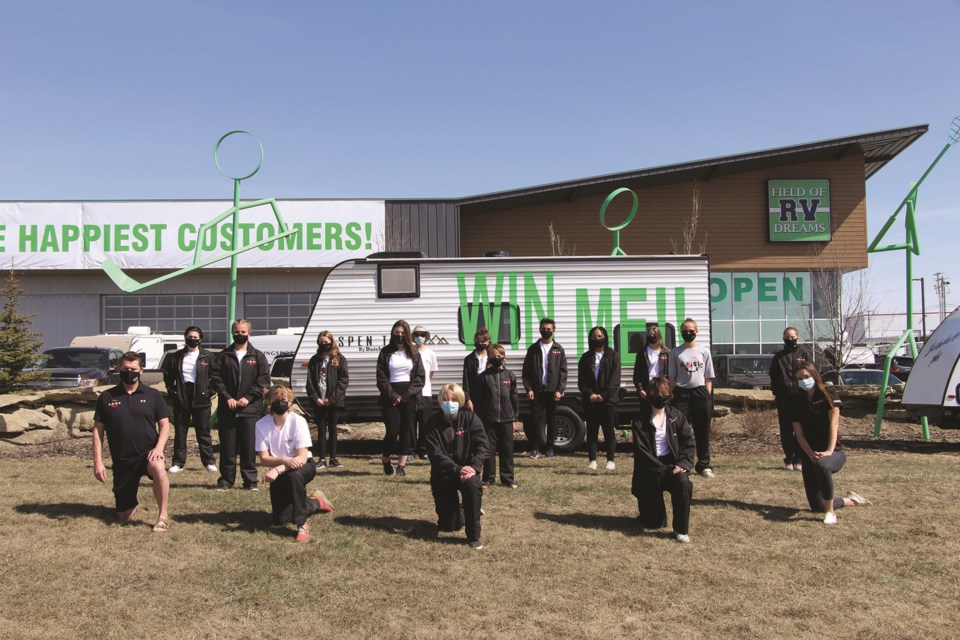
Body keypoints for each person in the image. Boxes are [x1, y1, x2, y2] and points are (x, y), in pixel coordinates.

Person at [92, 351, 171, 532]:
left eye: (133, 369)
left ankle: (162, 516)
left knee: (158, 467)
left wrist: (159, 449)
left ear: (141, 370)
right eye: (125, 369)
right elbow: (98, 431)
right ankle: (129, 504)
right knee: (124, 517)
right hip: (122, 461)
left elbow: (165, 426)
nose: (129, 372)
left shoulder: (153, 395)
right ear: (119, 369)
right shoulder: (107, 397)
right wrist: (98, 462)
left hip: (148, 454)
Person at [790, 363, 871, 524]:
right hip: (809, 454)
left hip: (834, 452)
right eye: (799, 378)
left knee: (822, 464)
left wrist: (828, 451)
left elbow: (834, 424)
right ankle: (851, 500)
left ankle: (830, 512)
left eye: (806, 377)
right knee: (816, 506)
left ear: (814, 376)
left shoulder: (828, 392)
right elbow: (798, 433)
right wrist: (809, 454)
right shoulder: (795, 399)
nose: (803, 381)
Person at [423, 383, 490, 549]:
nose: (449, 402)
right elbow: (436, 456)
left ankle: (474, 536)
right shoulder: (432, 423)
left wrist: (473, 468)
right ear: (440, 401)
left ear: (460, 401)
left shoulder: (470, 418)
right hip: (444, 475)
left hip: (468, 472)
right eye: (446, 399)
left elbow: (482, 446)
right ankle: (463, 510)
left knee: (473, 485)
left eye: (453, 399)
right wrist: (457, 469)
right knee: (448, 526)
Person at [256, 385, 324, 542]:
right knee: (280, 520)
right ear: (269, 402)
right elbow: (264, 459)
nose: (280, 402)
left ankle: (302, 524)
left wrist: (278, 469)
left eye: (284, 399)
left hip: (304, 465)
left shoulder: (298, 422)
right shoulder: (261, 425)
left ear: (289, 402)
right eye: (276, 399)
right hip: (281, 469)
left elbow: (301, 457)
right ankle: (316, 502)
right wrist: (285, 461)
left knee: (294, 477)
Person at [631, 376, 695, 543]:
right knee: (654, 524)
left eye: (663, 394)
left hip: (673, 465)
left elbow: (688, 443)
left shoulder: (677, 417)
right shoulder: (639, 421)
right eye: (656, 394)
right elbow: (642, 452)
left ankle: (681, 529)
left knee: (684, 483)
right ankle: (650, 512)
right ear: (650, 395)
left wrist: (683, 464)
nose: (659, 397)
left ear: (669, 396)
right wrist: (662, 469)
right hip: (650, 470)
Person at [210, 319, 271, 491]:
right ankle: (226, 481)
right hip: (227, 409)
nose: (240, 335)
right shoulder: (223, 356)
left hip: (249, 409)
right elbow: (216, 378)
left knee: (248, 447)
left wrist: (248, 397)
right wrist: (227, 397)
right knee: (227, 446)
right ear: (232, 333)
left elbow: (263, 380)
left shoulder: (257, 356)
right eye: (236, 332)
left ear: (249, 333)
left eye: (243, 332)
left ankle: (250, 481)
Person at [163, 325, 217, 474]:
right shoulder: (176, 356)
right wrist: (171, 390)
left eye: (195, 337)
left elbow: (216, 376)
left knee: (203, 431)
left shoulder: (207, 356)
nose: (192, 339)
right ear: (185, 337)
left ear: (200, 339)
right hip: (181, 396)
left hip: (201, 397)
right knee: (180, 431)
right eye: (190, 337)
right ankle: (178, 462)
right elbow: (168, 374)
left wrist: (210, 391)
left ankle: (209, 461)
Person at [376, 319, 425, 476]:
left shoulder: (414, 353)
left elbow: (420, 377)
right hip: (391, 395)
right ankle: (385, 458)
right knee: (392, 431)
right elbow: (381, 377)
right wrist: (393, 396)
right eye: (397, 333)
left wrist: (406, 395)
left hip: (409, 395)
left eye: (403, 333)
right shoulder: (385, 352)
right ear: (392, 334)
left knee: (406, 430)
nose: (400, 335)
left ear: (407, 334)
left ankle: (401, 466)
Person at [668, 318, 716, 477]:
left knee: (702, 430)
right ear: (681, 332)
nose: (688, 333)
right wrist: (671, 394)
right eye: (685, 331)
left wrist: (707, 396)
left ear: (696, 331)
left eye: (691, 331)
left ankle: (703, 465)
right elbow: (672, 378)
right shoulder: (675, 352)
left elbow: (709, 376)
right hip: (681, 393)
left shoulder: (704, 351)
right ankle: (682, 463)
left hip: (700, 393)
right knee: (679, 430)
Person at [522, 318, 568, 459]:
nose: (546, 331)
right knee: (535, 420)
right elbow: (526, 372)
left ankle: (550, 448)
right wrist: (528, 388)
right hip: (536, 391)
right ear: (539, 329)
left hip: (552, 391)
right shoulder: (533, 349)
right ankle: (535, 448)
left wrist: (560, 390)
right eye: (543, 328)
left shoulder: (558, 350)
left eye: (548, 329)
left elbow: (563, 372)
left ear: (553, 330)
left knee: (552, 420)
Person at [577, 326, 622, 471]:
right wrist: (589, 394)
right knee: (592, 431)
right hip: (591, 400)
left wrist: (603, 395)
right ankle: (593, 460)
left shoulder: (613, 355)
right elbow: (582, 380)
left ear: (605, 337)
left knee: (609, 430)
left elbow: (615, 380)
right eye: (595, 336)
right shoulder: (586, 357)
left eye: (601, 336)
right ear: (591, 339)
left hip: (608, 400)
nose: (598, 338)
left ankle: (610, 460)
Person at [475, 344, 519, 489]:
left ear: (504, 357)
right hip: (489, 419)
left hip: (506, 418)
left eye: (499, 356)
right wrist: (480, 419)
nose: (497, 359)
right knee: (489, 450)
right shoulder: (484, 376)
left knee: (507, 449)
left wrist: (514, 418)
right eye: (493, 356)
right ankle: (488, 478)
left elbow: (514, 399)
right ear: (489, 358)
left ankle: (508, 478)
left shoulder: (510, 376)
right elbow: (479, 400)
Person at [769, 326, 810, 471]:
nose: (790, 340)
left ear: (797, 337)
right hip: (784, 400)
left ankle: (800, 459)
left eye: (792, 337)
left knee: (801, 430)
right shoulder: (778, 357)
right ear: (783, 338)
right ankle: (789, 458)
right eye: (787, 338)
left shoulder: (804, 354)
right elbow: (773, 377)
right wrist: (778, 393)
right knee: (786, 430)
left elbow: (811, 373)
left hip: (801, 399)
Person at [306, 330, 349, 469]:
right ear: (318, 343)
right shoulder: (315, 359)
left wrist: (332, 398)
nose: (324, 344)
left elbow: (343, 380)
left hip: (333, 401)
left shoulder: (339, 359)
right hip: (319, 400)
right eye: (322, 342)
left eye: (327, 342)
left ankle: (333, 458)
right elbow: (310, 382)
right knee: (321, 429)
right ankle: (322, 459)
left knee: (333, 429)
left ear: (332, 342)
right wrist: (315, 398)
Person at [413, 324, 439, 459]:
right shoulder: (409, 351)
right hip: (411, 392)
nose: (419, 337)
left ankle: (423, 450)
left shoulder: (431, 353)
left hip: (426, 392)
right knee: (411, 422)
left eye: (422, 335)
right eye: (417, 335)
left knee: (425, 423)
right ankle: (410, 450)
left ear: (426, 337)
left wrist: (424, 384)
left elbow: (431, 373)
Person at [633, 324, 670, 415]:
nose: (652, 337)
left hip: (661, 387)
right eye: (650, 335)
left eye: (654, 335)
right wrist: (640, 389)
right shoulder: (642, 352)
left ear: (659, 336)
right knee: (646, 413)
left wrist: (668, 388)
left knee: (662, 413)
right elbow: (637, 373)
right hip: (647, 387)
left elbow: (670, 372)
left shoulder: (665, 352)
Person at [461, 327, 491, 413]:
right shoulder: (469, 359)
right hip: (475, 395)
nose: (480, 343)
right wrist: (468, 399)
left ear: (488, 342)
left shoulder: (491, 357)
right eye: (477, 341)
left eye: (482, 342)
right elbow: (466, 381)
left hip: (489, 396)